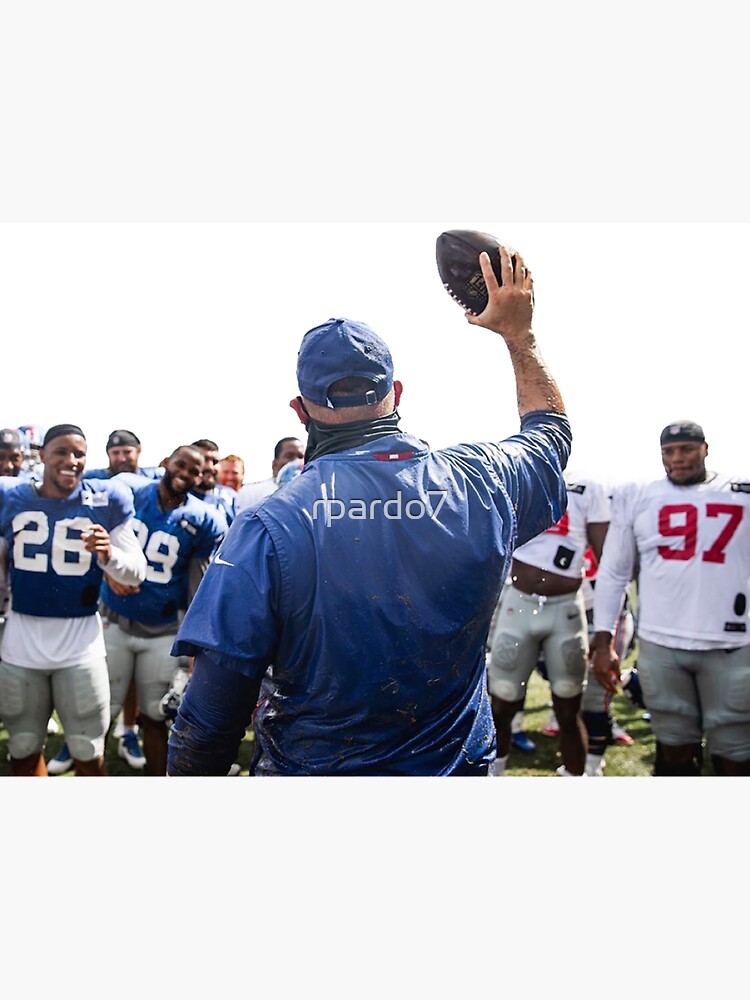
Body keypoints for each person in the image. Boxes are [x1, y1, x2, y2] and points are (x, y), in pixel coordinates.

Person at [167, 244, 572, 777]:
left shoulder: (269, 524)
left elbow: (211, 717)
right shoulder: (480, 480)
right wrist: (519, 333)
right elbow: (550, 435)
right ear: (397, 392)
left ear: (299, 409)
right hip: (455, 770)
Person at [592, 420, 750, 776]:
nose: (678, 458)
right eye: (669, 451)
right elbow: (615, 573)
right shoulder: (639, 495)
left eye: (687, 449)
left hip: (731, 642)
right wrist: (603, 641)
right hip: (661, 643)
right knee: (674, 750)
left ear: (706, 448)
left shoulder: (740, 491)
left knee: (736, 752)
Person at [0, 424, 147, 776]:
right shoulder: (11, 496)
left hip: (81, 643)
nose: (72, 460)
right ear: (43, 456)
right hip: (21, 640)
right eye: (62, 452)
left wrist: (108, 555)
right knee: (22, 747)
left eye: (79, 453)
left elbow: (135, 573)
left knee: (88, 750)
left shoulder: (105, 498)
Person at [97, 445, 226, 776]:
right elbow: (98, 540)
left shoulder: (204, 519)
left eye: (195, 471)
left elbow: (198, 586)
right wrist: (109, 573)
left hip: (161, 629)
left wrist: (196, 642)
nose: (186, 474)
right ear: (166, 463)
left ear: (203, 477)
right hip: (114, 618)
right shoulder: (129, 492)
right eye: (180, 465)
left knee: (156, 715)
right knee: (98, 713)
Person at [487, 476, 610, 776]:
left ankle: (575, 776)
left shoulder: (588, 487)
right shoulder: (515, 478)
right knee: (501, 702)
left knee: (568, 707)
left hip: (566, 606)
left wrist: (606, 629)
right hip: (519, 602)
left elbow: (608, 561)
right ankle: (494, 773)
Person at [234, 437, 305, 514]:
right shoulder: (250, 492)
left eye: (300, 457)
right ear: (274, 464)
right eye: (289, 456)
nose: (296, 462)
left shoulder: (310, 494)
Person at [190, 438, 237, 533]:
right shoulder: (178, 496)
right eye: (204, 460)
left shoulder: (230, 498)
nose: (210, 467)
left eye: (215, 462)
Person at [85, 428, 163, 480]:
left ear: (138, 451)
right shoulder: (93, 479)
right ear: (108, 454)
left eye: (127, 452)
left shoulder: (152, 477)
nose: (122, 459)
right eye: (115, 453)